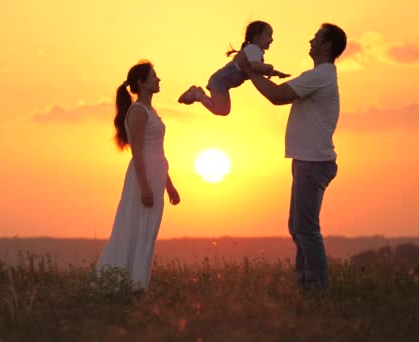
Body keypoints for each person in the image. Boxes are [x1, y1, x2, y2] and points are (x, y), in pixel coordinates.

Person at [235, 23, 347, 289]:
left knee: (305, 229)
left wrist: (249, 71)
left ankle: (316, 289)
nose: (311, 39)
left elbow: (276, 96)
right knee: (298, 227)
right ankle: (305, 286)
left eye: (316, 37)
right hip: (307, 161)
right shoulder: (318, 75)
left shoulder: (320, 75)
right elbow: (279, 91)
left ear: (327, 45)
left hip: (314, 162)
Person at [95, 60, 181, 293]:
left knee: (148, 230)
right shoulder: (138, 111)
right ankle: (120, 283)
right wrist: (144, 187)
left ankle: (137, 284)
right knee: (135, 227)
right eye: (154, 76)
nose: (158, 79)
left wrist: (169, 186)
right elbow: (138, 152)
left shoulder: (151, 111)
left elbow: (158, 154)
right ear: (142, 83)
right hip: (143, 177)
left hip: (155, 174)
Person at [177, 20, 290, 116]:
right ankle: (198, 95)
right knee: (222, 110)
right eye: (269, 35)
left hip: (222, 82)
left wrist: (276, 73)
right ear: (256, 37)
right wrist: (270, 67)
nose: (272, 39)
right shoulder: (253, 49)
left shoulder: (255, 51)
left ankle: (198, 94)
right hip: (220, 81)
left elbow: (256, 68)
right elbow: (256, 67)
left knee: (224, 110)